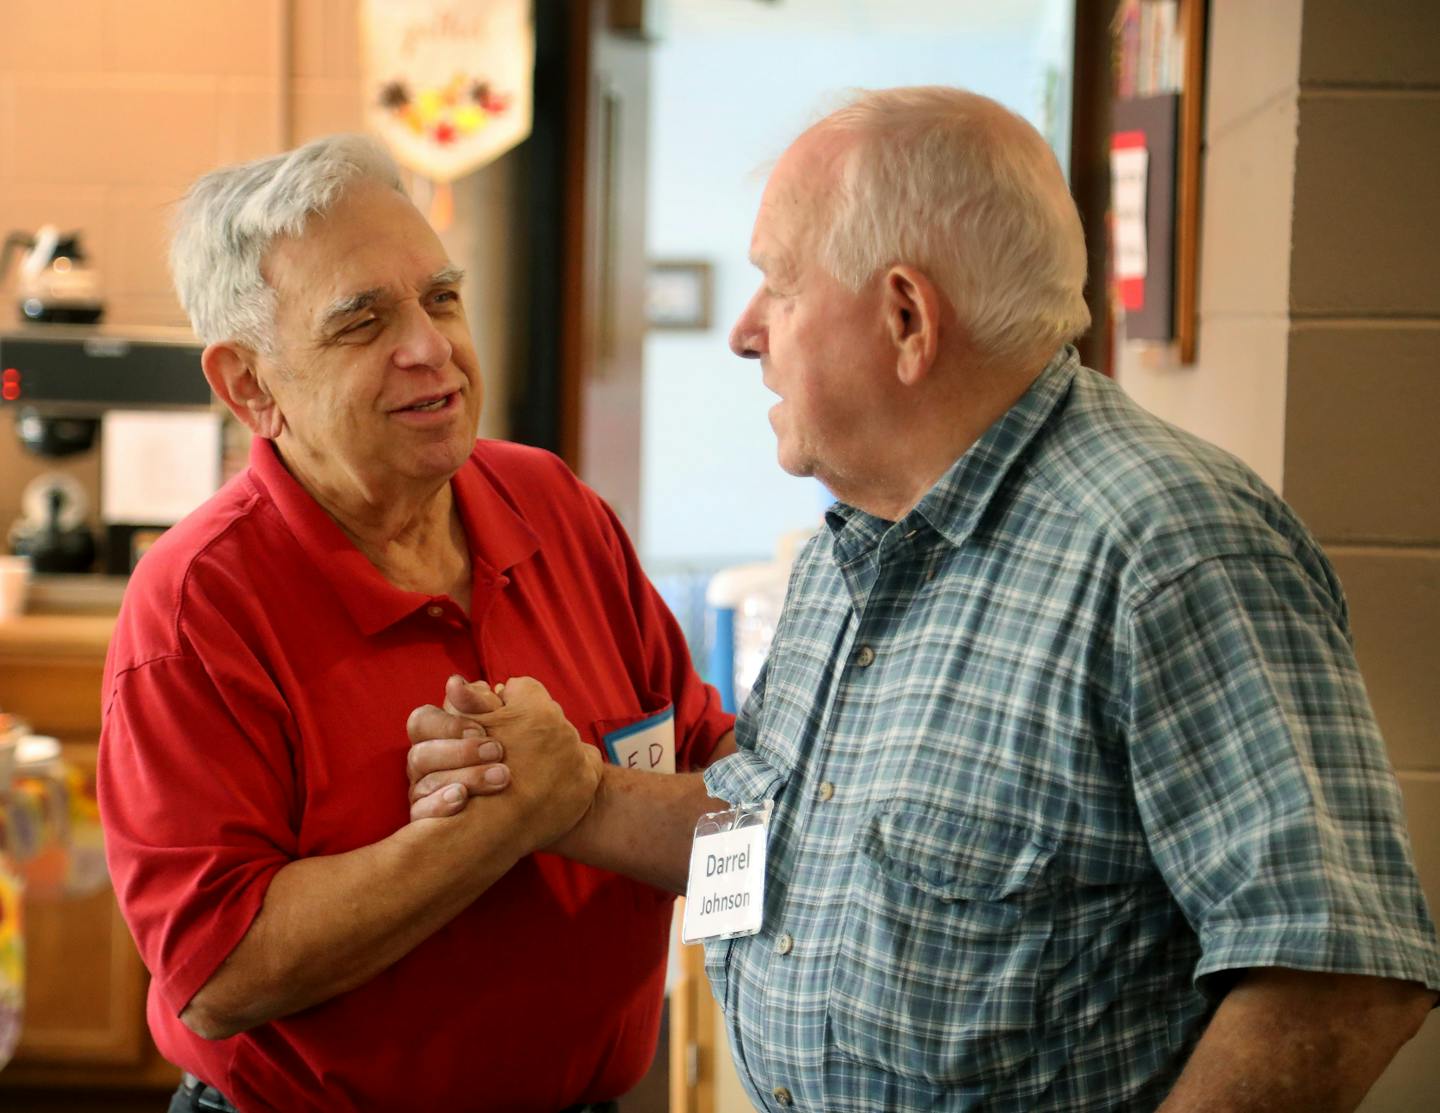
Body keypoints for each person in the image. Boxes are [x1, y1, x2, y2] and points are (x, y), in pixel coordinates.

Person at [408, 87, 1439, 1111]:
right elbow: (771, 835)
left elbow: (1337, 979)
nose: (744, 331)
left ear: (906, 316)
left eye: (779, 285)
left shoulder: (1167, 547)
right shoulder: (850, 547)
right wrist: (576, 798)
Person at [97, 134, 735, 1113]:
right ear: (248, 387)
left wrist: (582, 798)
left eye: (441, 298)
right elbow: (214, 978)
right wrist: (487, 828)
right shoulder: (199, 606)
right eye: (362, 323)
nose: (432, 346)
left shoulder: (555, 506)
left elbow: (732, 829)